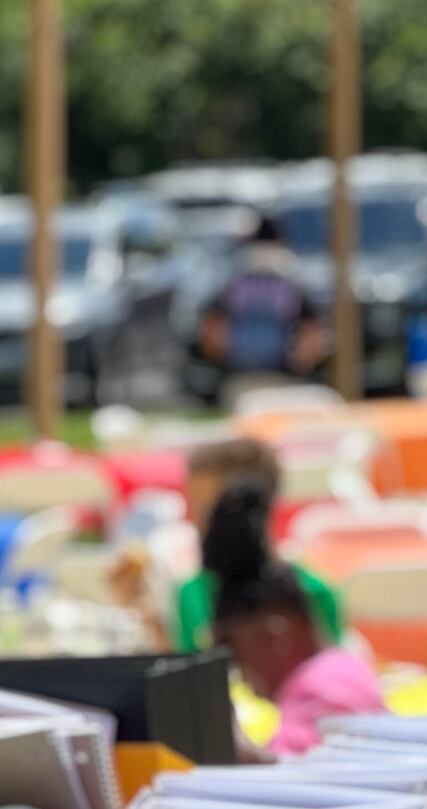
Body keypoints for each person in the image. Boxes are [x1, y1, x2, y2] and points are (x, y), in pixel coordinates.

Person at [111, 437, 344, 654]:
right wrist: (149, 619)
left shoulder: (313, 593)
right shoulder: (192, 593)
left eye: (207, 509)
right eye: (193, 506)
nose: (193, 521)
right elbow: (190, 674)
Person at [206, 480, 385, 758]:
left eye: (240, 660)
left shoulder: (319, 690)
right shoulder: (341, 667)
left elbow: (291, 774)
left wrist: (232, 743)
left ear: (277, 634)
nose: (246, 684)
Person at [195, 216, 326, 394]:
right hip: (283, 375)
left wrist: (222, 361)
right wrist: (300, 365)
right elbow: (313, 333)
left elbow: (211, 330)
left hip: (238, 375)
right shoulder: (291, 287)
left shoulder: (234, 285)